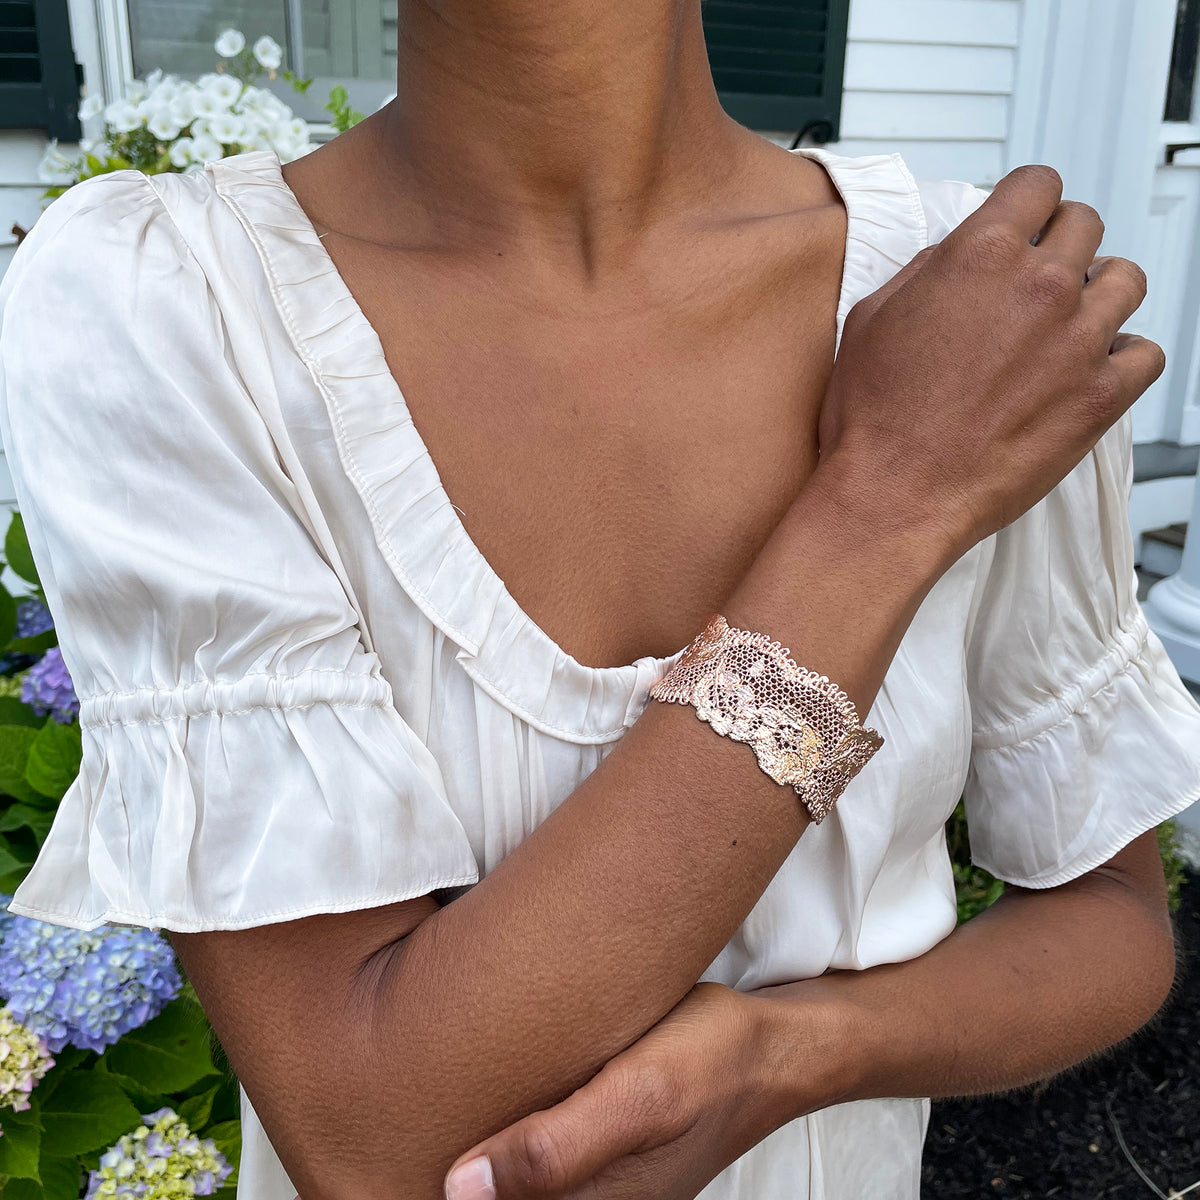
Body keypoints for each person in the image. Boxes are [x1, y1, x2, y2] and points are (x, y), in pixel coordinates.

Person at [2, 2, 1199, 1198]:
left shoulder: (978, 302)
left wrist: (795, 1056)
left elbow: (1107, 909)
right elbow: (376, 1145)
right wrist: (884, 508)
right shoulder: (175, 304)